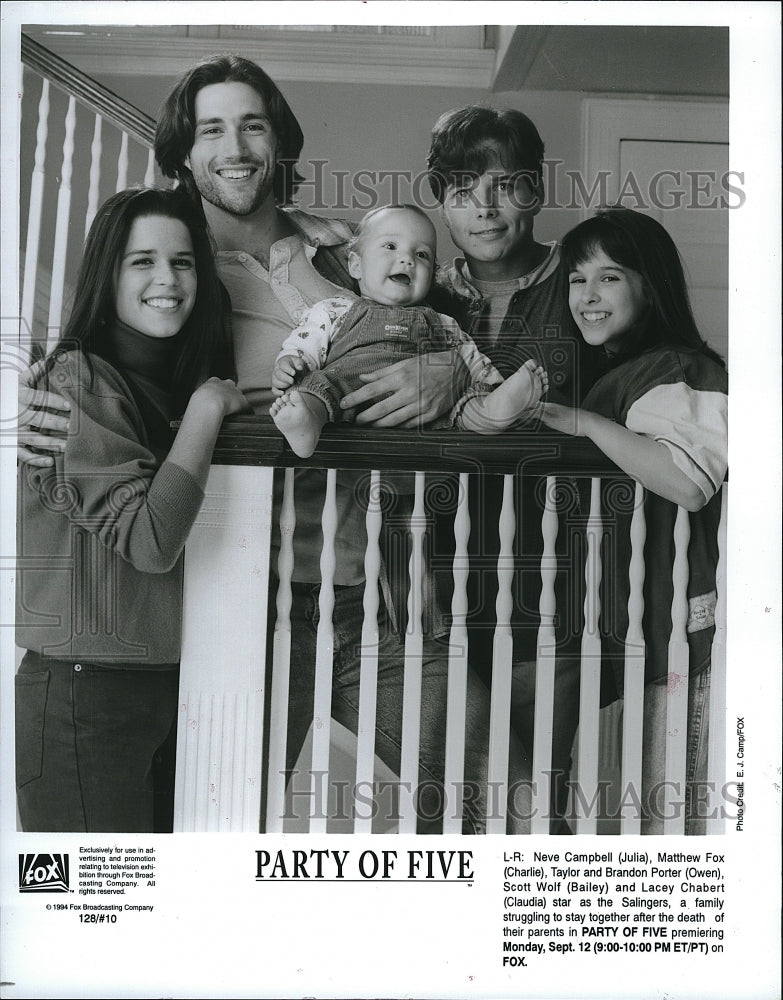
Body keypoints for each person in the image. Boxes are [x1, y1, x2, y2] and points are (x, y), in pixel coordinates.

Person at [15, 187, 250, 832]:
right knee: (87, 922)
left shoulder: (158, 385)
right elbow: (150, 542)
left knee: (154, 920)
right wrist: (207, 408)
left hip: (163, 688)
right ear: (106, 275)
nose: (167, 280)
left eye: (183, 262)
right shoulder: (73, 381)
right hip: (80, 693)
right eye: (141, 261)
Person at [537, 207, 728, 835]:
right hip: (627, 632)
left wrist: (587, 423)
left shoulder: (681, 368)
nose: (586, 296)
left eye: (609, 278)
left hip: (679, 642)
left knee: (673, 828)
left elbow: (688, 482)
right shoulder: (617, 372)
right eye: (575, 279)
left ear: (652, 284)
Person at [270, 203, 547, 458]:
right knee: (317, 387)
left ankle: (493, 410)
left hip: (423, 424)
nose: (407, 260)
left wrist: (492, 385)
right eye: (390, 246)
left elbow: (472, 363)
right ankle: (307, 423)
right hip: (348, 401)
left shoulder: (442, 322)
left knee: (465, 402)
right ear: (356, 265)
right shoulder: (334, 309)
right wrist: (290, 363)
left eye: (422, 254)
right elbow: (306, 344)